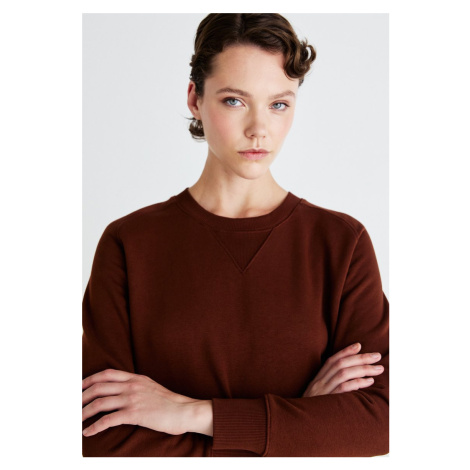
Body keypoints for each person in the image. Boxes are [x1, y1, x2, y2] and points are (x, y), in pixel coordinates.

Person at [82, 13, 389, 457]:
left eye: (278, 104)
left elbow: (379, 423)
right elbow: (100, 436)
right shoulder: (129, 244)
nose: (259, 129)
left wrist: (191, 414)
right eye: (234, 101)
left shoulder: (341, 244)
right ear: (195, 98)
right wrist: (300, 420)